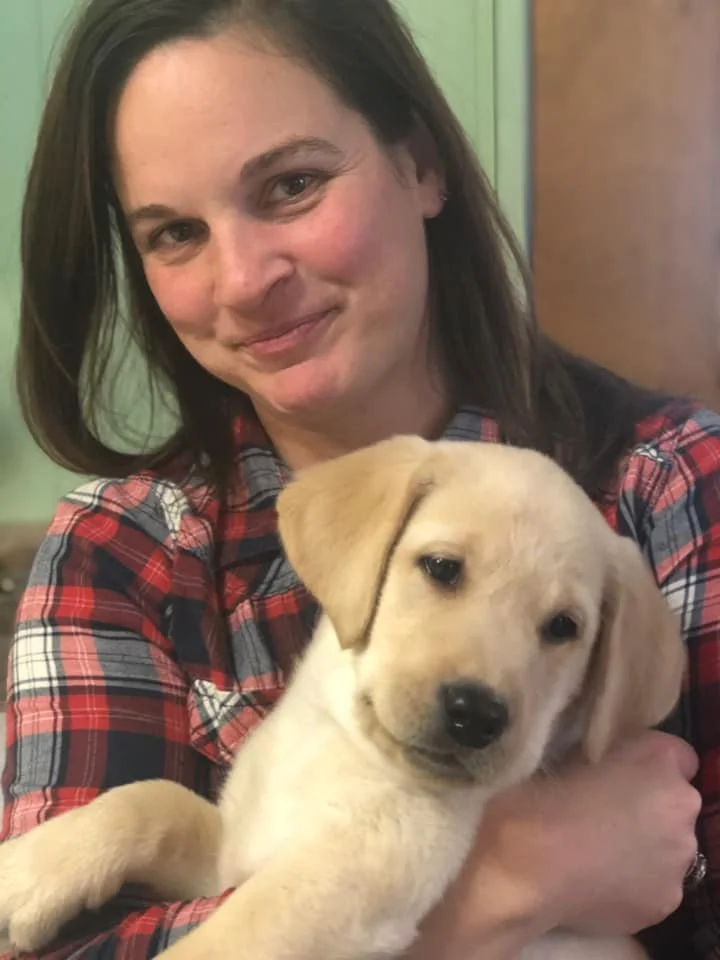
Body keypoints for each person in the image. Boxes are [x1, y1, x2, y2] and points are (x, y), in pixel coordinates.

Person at [1, 0, 717, 956]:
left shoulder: (675, 486)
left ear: (421, 164)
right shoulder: (121, 548)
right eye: (174, 233)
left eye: (293, 184)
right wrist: (504, 888)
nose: (246, 278)